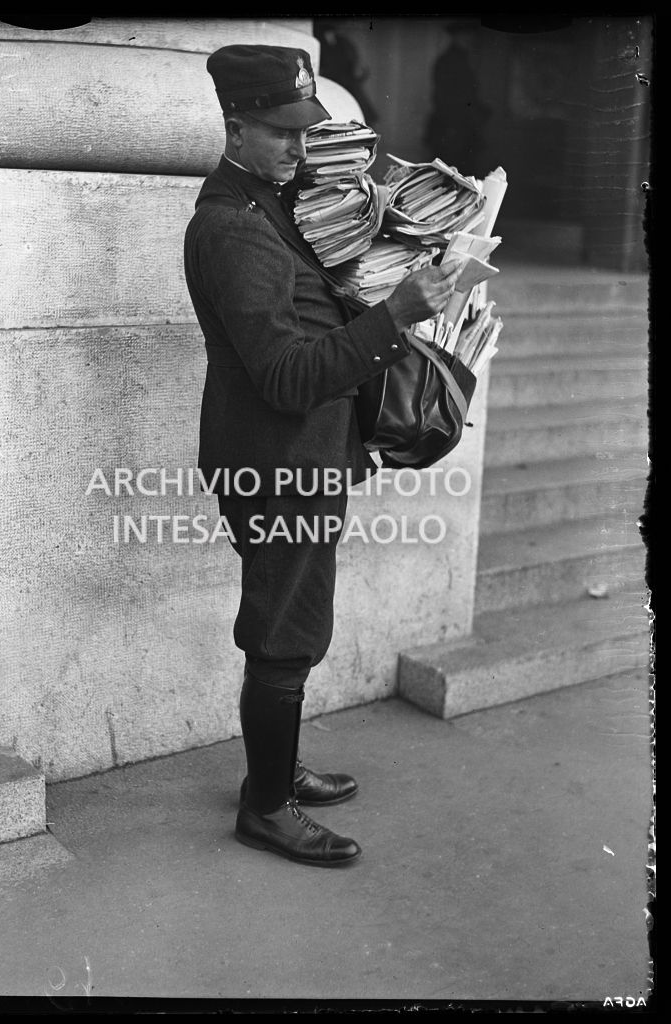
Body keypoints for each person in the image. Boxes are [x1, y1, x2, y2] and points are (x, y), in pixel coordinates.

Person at [183, 44, 460, 867]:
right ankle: (265, 808)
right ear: (234, 125)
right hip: (276, 462)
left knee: (291, 625)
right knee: (284, 634)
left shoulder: (268, 201)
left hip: (298, 456)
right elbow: (285, 374)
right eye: (282, 134)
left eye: (307, 132)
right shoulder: (234, 230)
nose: (301, 151)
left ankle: (275, 773)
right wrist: (395, 317)